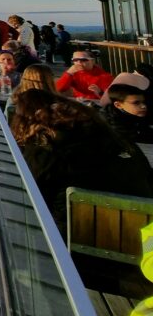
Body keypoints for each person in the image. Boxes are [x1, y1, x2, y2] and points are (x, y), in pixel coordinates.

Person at [9, 86, 153, 231]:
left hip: (86, 238)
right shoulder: (115, 137)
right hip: (146, 233)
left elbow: (29, 196)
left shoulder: (46, 149)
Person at [103, 72, 153, 145]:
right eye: (136, 103)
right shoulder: (111, 120)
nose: (143, 106)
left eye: (143, 102)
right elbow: (133, 137)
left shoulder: (136, 112)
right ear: (118, 105)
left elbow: (145, 130)